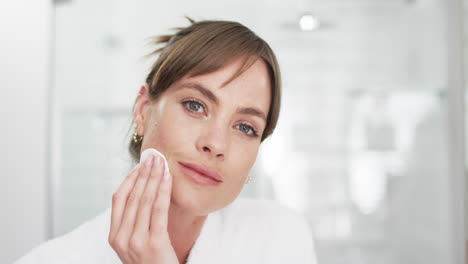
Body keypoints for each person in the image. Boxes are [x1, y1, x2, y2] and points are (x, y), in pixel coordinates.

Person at [14, 18, 317, 264]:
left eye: (245, 127)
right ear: (144, 110)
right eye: (195, 106)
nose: (216, 143)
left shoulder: (280, 237)